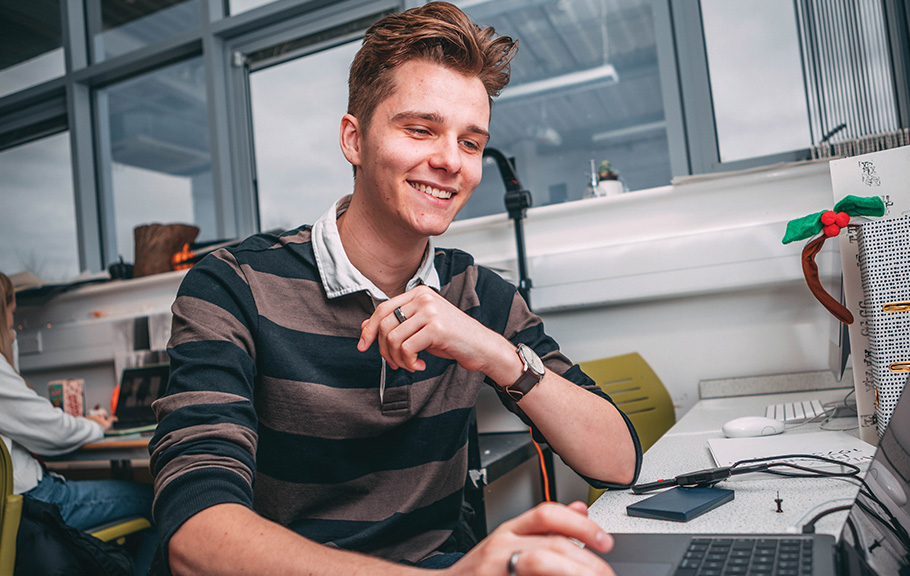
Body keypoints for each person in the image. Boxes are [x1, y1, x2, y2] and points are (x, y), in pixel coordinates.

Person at [148, 3, 642, 575]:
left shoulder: (480, 296)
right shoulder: (233, 286)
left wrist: (497, 354)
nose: (448, 161)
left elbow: (619, 461)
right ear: (354, 140)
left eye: (470, 143)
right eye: (419, 129)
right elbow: (194, 533)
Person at [0, 271, 157, 575]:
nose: (13, 323)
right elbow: (51, 433)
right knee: (160, 502)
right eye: (11, 312)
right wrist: (96, 424)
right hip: (36, 501)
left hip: (24, 500)